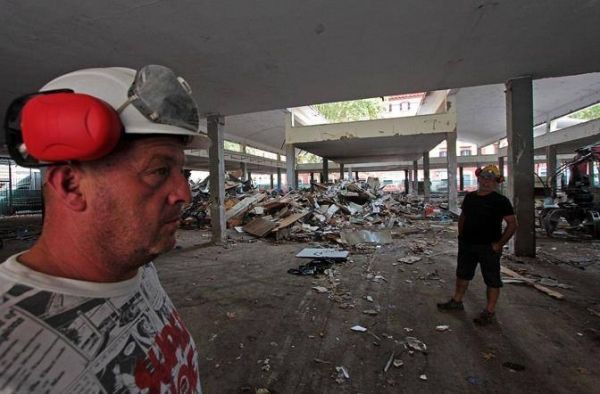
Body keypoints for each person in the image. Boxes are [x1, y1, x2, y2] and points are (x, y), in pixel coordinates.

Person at [0, 65, 207, 393]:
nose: (184, 193)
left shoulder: (137, 269)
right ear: (71, 186)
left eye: (182, 172)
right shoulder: (10, 354)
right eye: (159, 170)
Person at [437, 164, 517, 325]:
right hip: (467, 244)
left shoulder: (501, 201)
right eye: (484, 178)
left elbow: (512, 224)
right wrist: (461, 236)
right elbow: (463, 217)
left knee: (492, 279)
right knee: (463, 274)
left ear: (496, 182)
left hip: (489, 247)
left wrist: (500, 244)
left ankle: (489, 311)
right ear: (479, 179)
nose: (487, 182)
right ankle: (457, 301)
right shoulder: (470, 197)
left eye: (491, 180)